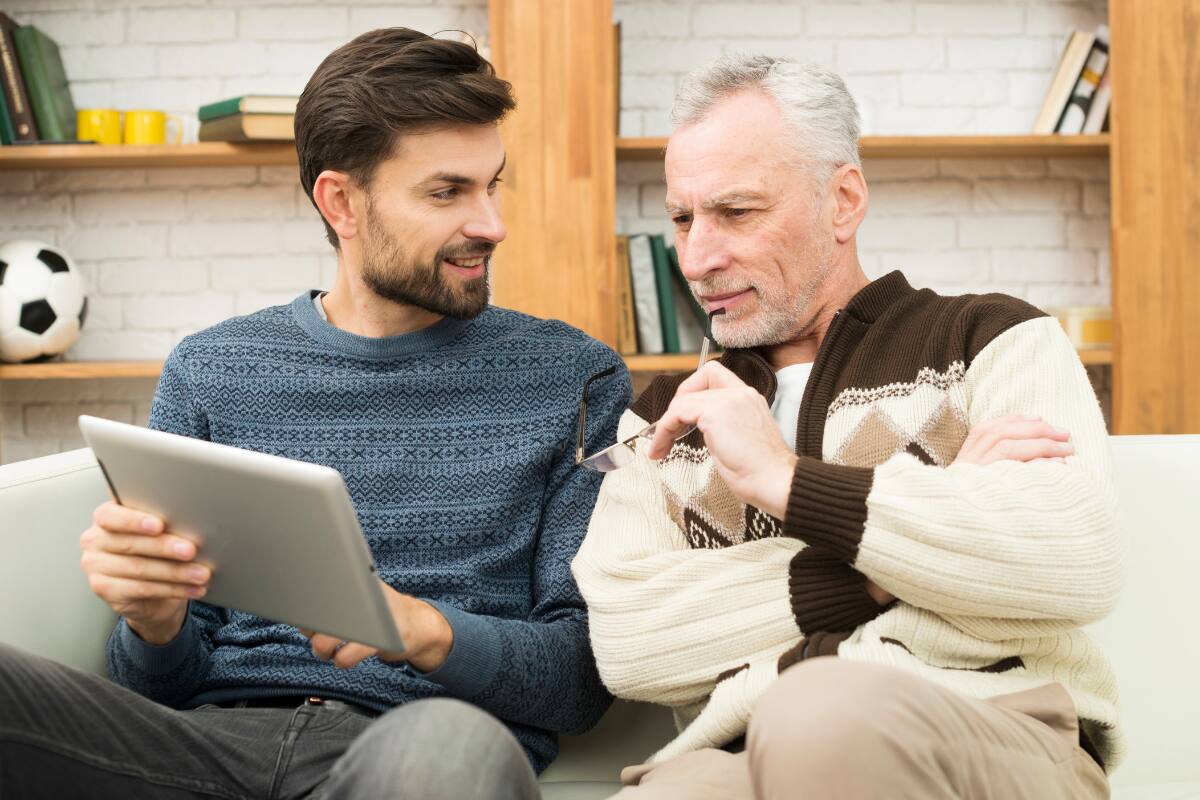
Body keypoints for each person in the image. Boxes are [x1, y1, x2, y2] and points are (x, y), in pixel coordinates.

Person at [0, 28, 629, 800]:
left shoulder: (572, 379)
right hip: (205, 748)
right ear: (341, 201)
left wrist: (426, 633)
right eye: (447, 192)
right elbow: (155, 687)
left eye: (492, 184)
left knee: (450, 750)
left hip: (421, 747)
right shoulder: (212, 370)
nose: (491, 223)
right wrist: (155, 623)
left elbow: (581, 683)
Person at [573, 54, 1118, 799]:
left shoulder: (991, 339)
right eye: (680, 218)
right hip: (736, 754)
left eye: (736, 211)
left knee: (819, 712)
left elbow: (1072, 557)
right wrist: (887, 560)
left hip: (986, 724)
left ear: (843, 200)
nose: (697, 257)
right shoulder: (665, 418)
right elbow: (631, 641)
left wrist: (788, 483)